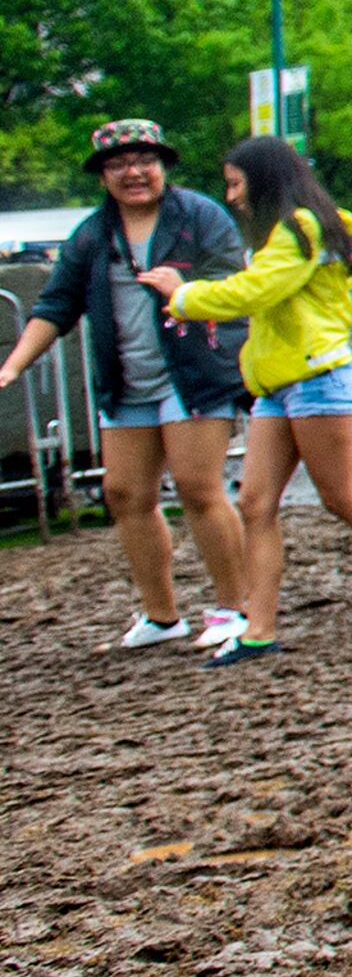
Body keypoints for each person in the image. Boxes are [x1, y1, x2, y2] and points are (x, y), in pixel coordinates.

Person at [149, 137, 352, 663]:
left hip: (316, 377)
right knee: (255, 503)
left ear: (264, 180)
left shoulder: (302, 229)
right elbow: (261, 293)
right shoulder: (291, 233)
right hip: (281, 384)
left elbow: (254, 293)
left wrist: (182, 295)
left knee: (341, 497)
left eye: (237, 183)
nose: (232, 196)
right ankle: (259, 631)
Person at [0, 120, 254, 652]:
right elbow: (55, 305)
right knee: (124, 493)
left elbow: (235, 288)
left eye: (144, 160)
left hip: (195, 372)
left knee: (196, 485)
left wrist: (186, 290)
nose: (133, 173)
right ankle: (162, 615)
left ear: (163, 166)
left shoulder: (200, 217)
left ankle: (236, 607)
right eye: (118, 164)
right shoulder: (93, 234)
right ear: (102, 176)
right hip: (126, 380)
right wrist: (13, 365)